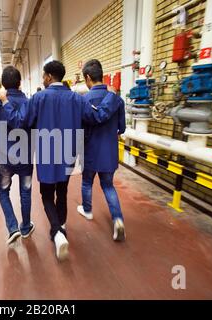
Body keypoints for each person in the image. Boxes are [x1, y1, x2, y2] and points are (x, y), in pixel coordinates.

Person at [0, 60, 121, 260]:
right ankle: (61, 226)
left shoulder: (38, 98)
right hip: (68, 153)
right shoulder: (77, 99)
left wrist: (5, 103)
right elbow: (98, 116)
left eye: (43, 76)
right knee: (61, 192)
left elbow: (20, 122)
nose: (43, 79)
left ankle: (57, 232)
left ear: (48, 77)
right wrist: (112, 97)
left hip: (47, 153)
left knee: (46, 195)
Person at [0, 66, 35, 245]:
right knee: (25, 192)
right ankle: (25, 227)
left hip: (5, 159)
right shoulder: (28, 102)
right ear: (20, 83)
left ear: (3, 83)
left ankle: (12, 227)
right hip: (25, 157)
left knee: (3, 192)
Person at [77, 59, 126, 241]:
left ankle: (87, 210)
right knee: (108, 186)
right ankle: (118, 220)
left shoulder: (83, 101)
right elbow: (122, 128)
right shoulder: (116, 99)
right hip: (109, 152)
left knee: (87, 182)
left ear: (88, 78)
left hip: (90, 151)